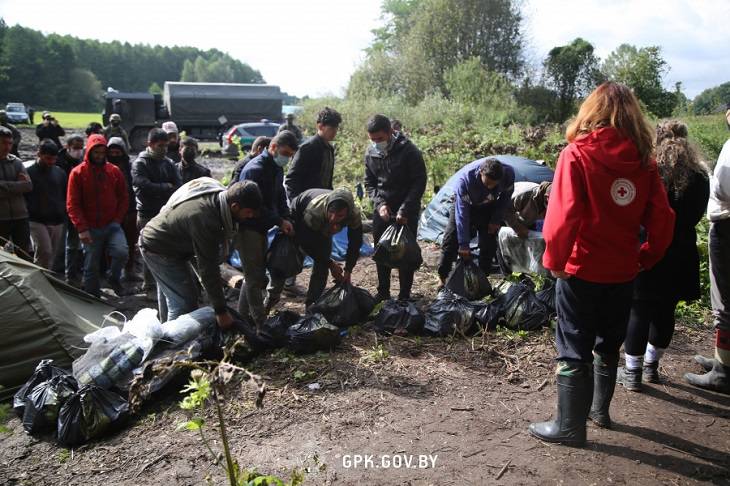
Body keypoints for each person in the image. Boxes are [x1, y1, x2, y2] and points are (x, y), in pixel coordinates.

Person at [528, 82, 675, 447]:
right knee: (609, 341)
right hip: (624, 269)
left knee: (573, 342)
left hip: (581, 268)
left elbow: (563, 217)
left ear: (591, 112)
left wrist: (555, 261)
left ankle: (569, 427)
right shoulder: (644, 161)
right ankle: (599, 411)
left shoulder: (577, 154)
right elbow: (663, 218)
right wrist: (647, 256)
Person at [616, 122, 710, 392]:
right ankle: (651, 367)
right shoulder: (700, 176)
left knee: (639, 309)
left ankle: (632, 373)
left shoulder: (651, 171)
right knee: (666, 309)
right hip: (682, 251)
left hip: (652, 247)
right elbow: (698, 215)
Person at [140, 179, 262, 325]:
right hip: (158, 248)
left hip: (168, 242)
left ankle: (162, 336)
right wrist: (221, 311)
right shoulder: (206, 219)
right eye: (248, 213)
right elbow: (208, 268)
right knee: (184, 303)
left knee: (172, 297)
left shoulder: (219, 197)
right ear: (235, 206)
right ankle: (171, 344)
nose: (250, 217)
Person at [685, 107, 730, 394]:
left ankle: (723, 372)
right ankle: (720, 360)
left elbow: (725, 188)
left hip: (727, 227)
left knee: (724, 301)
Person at [236, 131, 299, 327]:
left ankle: (242, 317)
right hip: (248, 227)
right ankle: (259, 323)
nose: (287, 158)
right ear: (272, 148)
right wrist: (279, 221)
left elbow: (280, 196)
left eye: (290, 155)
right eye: (285, 153)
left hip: (262, 227)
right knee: (254, 278)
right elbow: (254, 207)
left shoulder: (276, 169)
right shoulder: (255, 169)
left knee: (254, 275)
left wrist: (286, 217)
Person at [364, 114, 427, 301]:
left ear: (390, 132)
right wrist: (379, 204)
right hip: (383, 211)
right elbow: (369, 183)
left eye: (380, 139)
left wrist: (405, 209)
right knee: (381, 252)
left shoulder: (409, 151)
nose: (376, 143)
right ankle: (383, 292)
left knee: (404, 254)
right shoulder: (371, 153)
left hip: (406, 209)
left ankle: (404, 295)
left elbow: (419, 182)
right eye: (373, 139)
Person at [66, 134, 129, 297]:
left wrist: (117, 220)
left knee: (122, 252)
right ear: (89, 152)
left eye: (102, 153)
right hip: (90, 226)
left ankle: (113, 277)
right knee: (91, 264)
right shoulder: (77, 173)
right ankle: (93, 296)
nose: (100, 156)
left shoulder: (114, 171)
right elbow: (73, 204)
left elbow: (123, 197)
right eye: (96, 153)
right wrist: (82, 228)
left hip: (112, 224)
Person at [437, 157, 515, 283]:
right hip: (466, 206)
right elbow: (462, 215)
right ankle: (443, 278)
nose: (490, 187)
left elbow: (505, 198)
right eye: (488, 183)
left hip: (488, 206)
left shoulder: (508, 175)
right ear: (481, 173)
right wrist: (464, 244)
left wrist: (495, 220)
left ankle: (482, 279)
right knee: (450, 240)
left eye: (494, 185)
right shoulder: (465, 181)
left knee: (489, 243)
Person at [290, 187, 363, 308]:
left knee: (321, 266)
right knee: (289, 258)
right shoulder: (314, 213)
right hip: (299, 214)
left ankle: (312, 304)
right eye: (332, 213)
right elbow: (306, 243)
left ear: (347, 212)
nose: (333, 218)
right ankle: (275, 293)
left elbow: (355, 243)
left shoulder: (354, 215)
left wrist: (349, 269)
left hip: (323, 225)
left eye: (339, 215)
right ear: (327, 208)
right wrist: (330, 263)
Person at [132, 128, 182, 294]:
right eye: (160, 146)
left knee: (166, 249)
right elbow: (142, 186)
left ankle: (163, 284)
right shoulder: (141, 163)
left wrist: (161, 188)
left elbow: (178, 185)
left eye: (166, 146)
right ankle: (149, 285)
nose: (164, 149)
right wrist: (165, 187)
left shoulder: (168, 163)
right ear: (150, 145)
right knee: (148, 250)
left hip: (165, 212)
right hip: (147, 213)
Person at [284, 107, 342, 201]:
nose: (334, 132)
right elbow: (291, 180)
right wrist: (296, 204)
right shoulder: (307, 148)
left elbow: (327, 181)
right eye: (331, 128)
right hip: (306, 203)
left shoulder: (330, 149)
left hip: (322, 202)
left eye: (336, 128)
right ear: (320, 126)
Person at [25, 140, 67, 269]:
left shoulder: (59, 172)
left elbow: (64, 194)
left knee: (51, 256)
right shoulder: (28, 172)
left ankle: (46, 281)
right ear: (39, 154)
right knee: (44, 252)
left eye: (54, 159)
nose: (51, 162)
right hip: (36, 219)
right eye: (48, 158)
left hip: (56, 219)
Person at [107, 137, 140, 283]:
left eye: (117, 151)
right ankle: (112, 272)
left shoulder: (130, 166)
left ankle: (129, 270)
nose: (114, 155)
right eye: (112, 152)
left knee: (131, 242)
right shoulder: (104, 167)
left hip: (130, 209)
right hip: (111, 212)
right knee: (111, 244)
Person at [53, 135, 85, 281]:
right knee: (59, 240)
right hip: (59, 207)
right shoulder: (58, 163)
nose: (78, 151)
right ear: (68, 147)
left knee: (73, 241)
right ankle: (56, 267)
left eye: (80, 148)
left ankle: (71, 272)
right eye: (76, 148)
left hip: (75, 206)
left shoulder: (81, 162)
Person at [0, 126, 33, 261]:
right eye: (3, 143)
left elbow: (28, 186)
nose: (7, 147)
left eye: (9, 143)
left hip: (20, 217)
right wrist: (16, 187)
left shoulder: (17, 162)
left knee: (24, 256)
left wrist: (2, 185)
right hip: (1, 218)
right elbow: (22, 186)